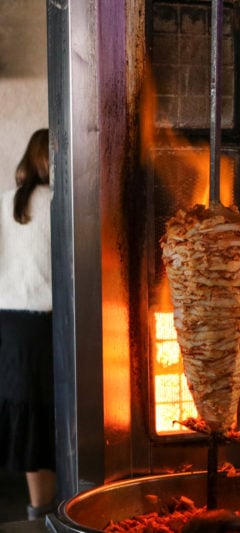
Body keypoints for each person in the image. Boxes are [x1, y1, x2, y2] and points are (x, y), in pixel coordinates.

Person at [0, 128, 57, 520]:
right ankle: (58, 509)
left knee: (28, 414)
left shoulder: (4, 203)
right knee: (52, 415)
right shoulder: (59, 202)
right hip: (48, 323)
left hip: (10, 325)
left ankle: (39, 509)